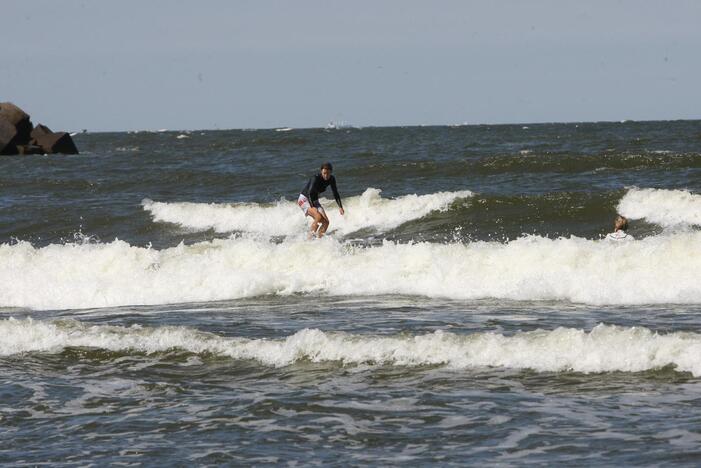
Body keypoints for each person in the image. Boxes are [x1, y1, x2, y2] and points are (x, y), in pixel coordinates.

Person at [297, 162, 345, 238]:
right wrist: (313, 207)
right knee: (318, 217)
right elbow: (310, 193)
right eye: (324, 173)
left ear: (331, 172)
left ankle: (318, 240)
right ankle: (308, 239)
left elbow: (335, 193)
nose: (326, 175)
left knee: (326, 222)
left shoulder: (332, 179)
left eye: (328, 173)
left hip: (314, 200)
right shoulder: (315, 178)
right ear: (321, 172)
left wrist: (340, 207)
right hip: (304, 199)